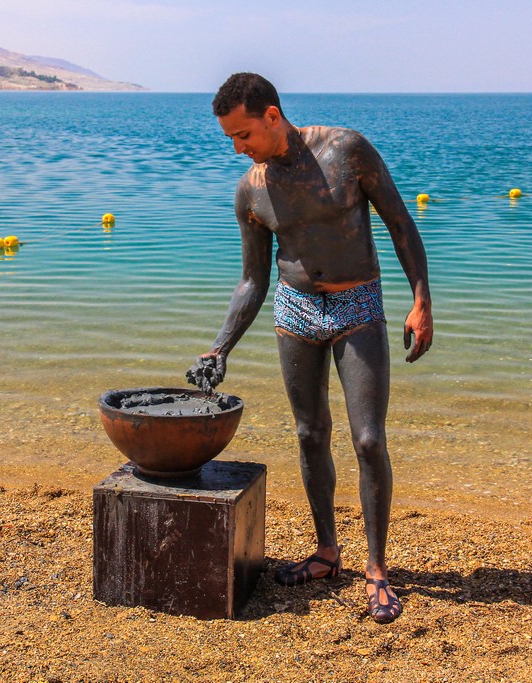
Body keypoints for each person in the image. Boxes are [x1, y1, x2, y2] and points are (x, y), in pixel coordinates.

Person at [187, 73, 433, 624]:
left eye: (244, 134)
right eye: (230, 138)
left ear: (272, 115)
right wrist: (218, 348)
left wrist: (421, 301)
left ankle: (376, 570)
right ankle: (327, 552)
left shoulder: (347, 152)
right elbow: (252, 281)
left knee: (368, 440)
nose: (238, 148)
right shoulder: (252, 190)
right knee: (308, 432)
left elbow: (399, 223)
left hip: (357, 306)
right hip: (295, 310)